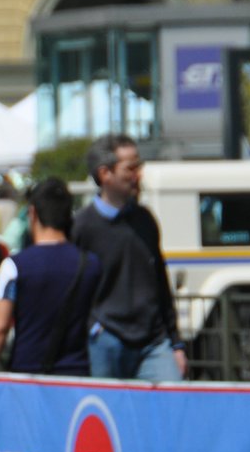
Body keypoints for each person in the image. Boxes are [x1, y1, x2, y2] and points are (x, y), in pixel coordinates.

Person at [71, 134, 185, 381]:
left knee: (173, 407)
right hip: (105, 340)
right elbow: (74, 288)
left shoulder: (145, 219)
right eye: (130, 168)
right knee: (106, 416)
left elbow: (160, 281)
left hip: (154, 342)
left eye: (139, 166)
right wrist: (94, 328)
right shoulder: (82, 226)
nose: (139, 175)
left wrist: (176, 344)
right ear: (105, 174)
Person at [0, 178, 101, 375]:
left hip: (28, 374)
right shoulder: (91, 265)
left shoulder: (14, 266)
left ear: (33, 213)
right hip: (77, 375)